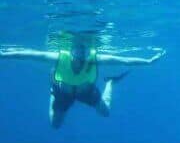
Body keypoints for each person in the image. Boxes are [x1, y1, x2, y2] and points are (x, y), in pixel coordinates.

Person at [0, 33, 164, 127]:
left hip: (86, 92)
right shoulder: (59, 58)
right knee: (55, 125)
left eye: (83, 52)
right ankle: (52, 93)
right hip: (62, 93)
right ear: (71, 51)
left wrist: (148, 62)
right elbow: (29, 54)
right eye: (77, 51)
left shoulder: (94, 59)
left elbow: (122, 60)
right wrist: (4, 55)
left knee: (105, 113)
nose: (80, 55)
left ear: (87, 51)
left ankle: (110, 82)